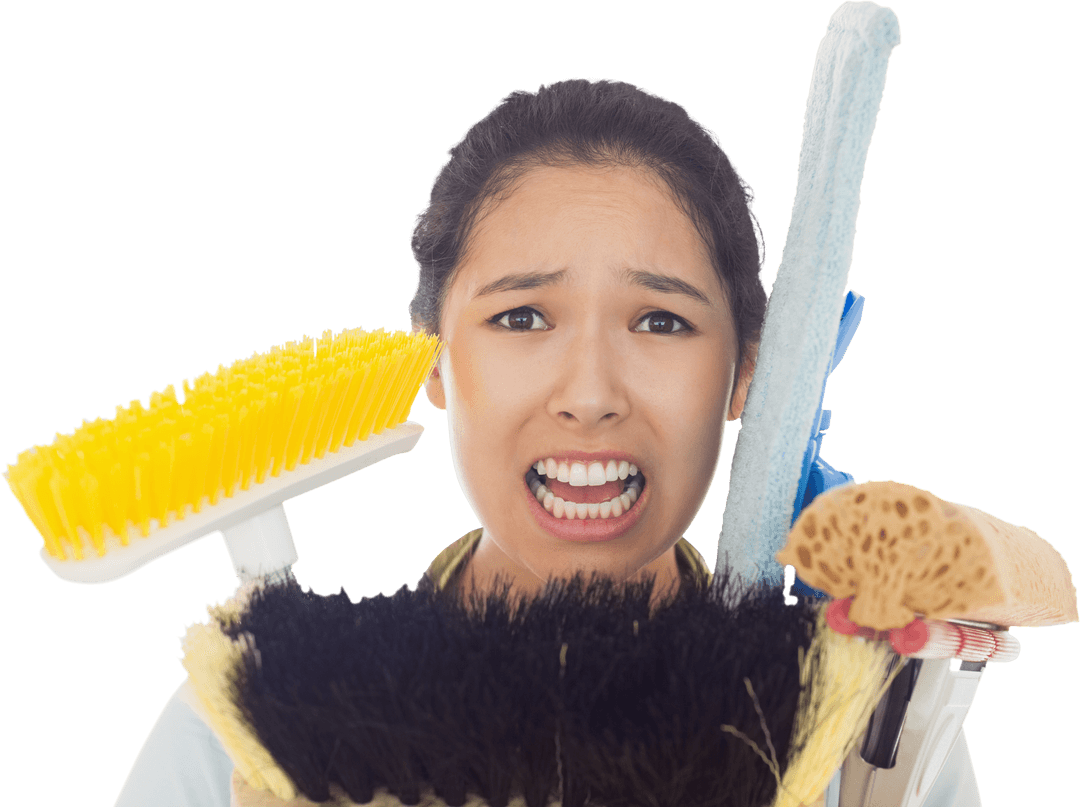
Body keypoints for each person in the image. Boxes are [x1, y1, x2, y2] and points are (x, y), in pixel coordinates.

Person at [116, 79, 979, 807]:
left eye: (661, 320)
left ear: (746, 372)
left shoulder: (872, 737)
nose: (591, 395)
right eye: (521, 316)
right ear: (435, 359)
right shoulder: (237, 728)